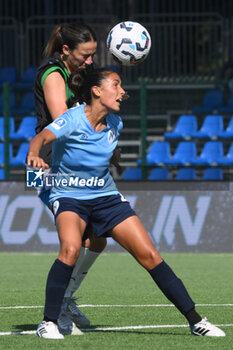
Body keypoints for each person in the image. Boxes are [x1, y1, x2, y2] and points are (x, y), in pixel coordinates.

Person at [27, 68, 226, 339]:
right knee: (71, 249)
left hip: (106, 197)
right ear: (96, 90)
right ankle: (48, 322)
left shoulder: (115, 124)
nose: (123, 92)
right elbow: (40, 138)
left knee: (150, 256)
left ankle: (196, 321)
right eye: (116, 85)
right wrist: (34, 155)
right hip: (68, 195)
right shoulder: (72, 119)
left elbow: (100, 153)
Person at [33, 22, 114, 335]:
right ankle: (58, 310)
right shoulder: (53, 74)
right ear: (65, 50)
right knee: (74, 241)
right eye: (85, 55)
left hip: (77, 166)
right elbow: (60, 120)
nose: (90, 61)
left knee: (98, 238)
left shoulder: (76, 74)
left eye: (93, 55)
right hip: (51, 166)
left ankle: (65, 298)